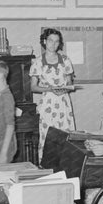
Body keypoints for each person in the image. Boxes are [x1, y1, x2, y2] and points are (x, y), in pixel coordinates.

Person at [29, 28, 76, 161]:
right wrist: (50, 89)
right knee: (47, 134)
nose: (53, 44)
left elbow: (69, 83)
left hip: (63, 102)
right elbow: (33, 87)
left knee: (65, 134)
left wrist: (64, 89)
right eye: (50, 41)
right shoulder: (37, 62)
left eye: (57, 42)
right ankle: (47, 165)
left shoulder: (65, 60)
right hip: (48, 102)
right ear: (45, 41)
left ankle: (66, 165)